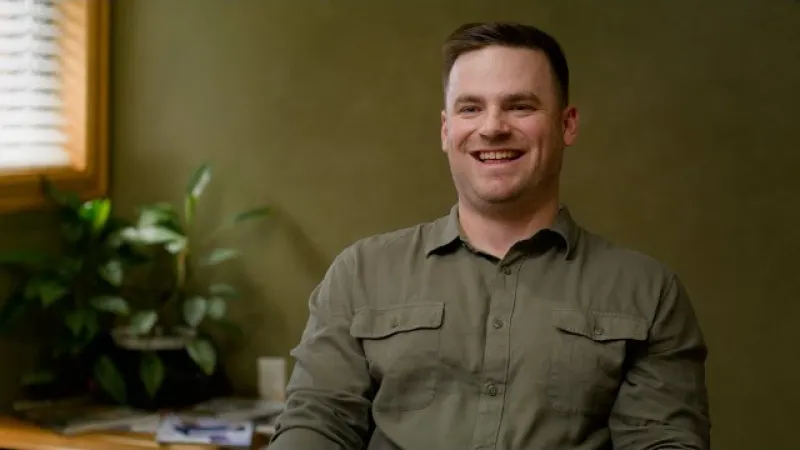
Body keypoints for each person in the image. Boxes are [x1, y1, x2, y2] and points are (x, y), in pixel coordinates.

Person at [268, 21, 710, 450]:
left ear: (567, 124)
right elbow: (318, 423)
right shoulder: (360, 273)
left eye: (520, 106)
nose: (493, 126)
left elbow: (663, 441)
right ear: (446, 130)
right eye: (470, 108)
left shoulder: (648, 293)